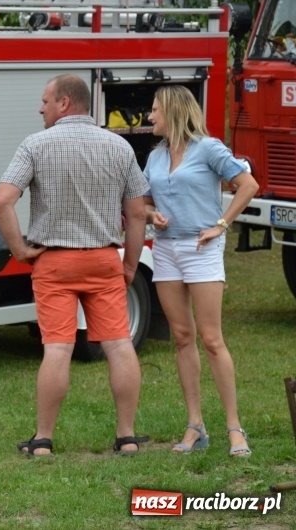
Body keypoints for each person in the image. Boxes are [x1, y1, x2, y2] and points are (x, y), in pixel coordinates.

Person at [0, 74, 149, 456]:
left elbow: (1, 201)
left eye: (45, 100)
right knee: (118, 346)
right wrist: (129, 266)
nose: (40, 107)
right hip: (103, 259)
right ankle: (126, 437)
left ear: (64, 103)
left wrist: (19, 250)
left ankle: (43, 440)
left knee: (58, 349)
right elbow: (138, 213)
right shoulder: (119, 146)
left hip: (54, 261)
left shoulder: (35, 145)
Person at [143, 85, 258, 457]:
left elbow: (248, 185)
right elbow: (144, 200)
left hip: (202, 248)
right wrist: (150, 214)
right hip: (165, 250)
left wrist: (221, 225)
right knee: (180, 336)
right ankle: (195, 425)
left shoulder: (208, 148)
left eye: (155, 110)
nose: (150, 116)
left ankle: (234, 427)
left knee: (211, 339)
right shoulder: (156, 156)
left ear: (174, 111)